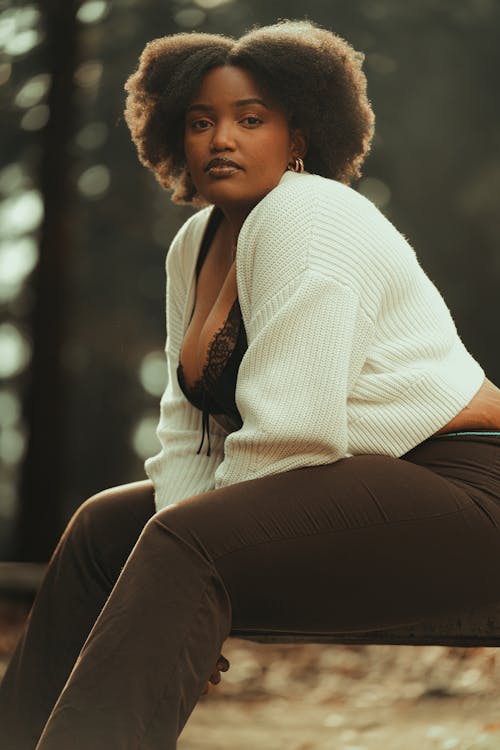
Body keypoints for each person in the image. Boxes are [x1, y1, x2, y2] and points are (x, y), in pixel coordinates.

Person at [2, 18, 500, 750]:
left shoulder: (311, 214)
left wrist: (201, 568)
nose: (220, 139)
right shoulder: (196, 243)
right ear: (172, 134)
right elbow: (188, 430)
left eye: (250, 118)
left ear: (299, 135)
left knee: (183, 544)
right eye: (200, 121)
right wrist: (164, 578)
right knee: (105, 533)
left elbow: (294, 435)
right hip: (360, 489)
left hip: (468, 495)